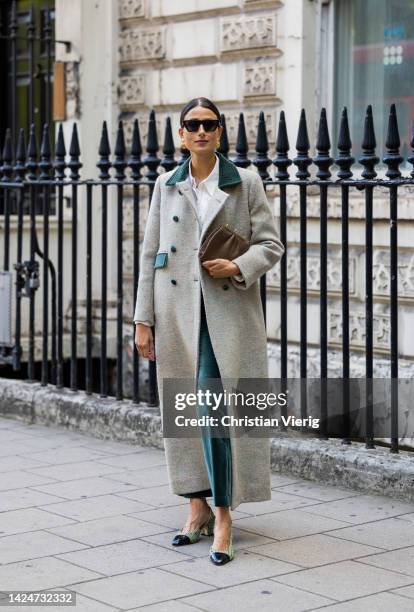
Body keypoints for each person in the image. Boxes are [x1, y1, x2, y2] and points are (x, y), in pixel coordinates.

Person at [134, 97, 285, 565]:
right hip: (177, 313)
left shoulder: (246, 182)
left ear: (220, 133)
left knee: (213, 409)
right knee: (185, 411)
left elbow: (271, 244)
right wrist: (143, 318)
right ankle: (196, 508)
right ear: (181, 134)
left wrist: (237, 264)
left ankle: (223, 515)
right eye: (191, 125)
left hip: (226, 314)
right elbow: (150, 253)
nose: (200, 131)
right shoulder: (166, 184)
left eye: (209, 124)